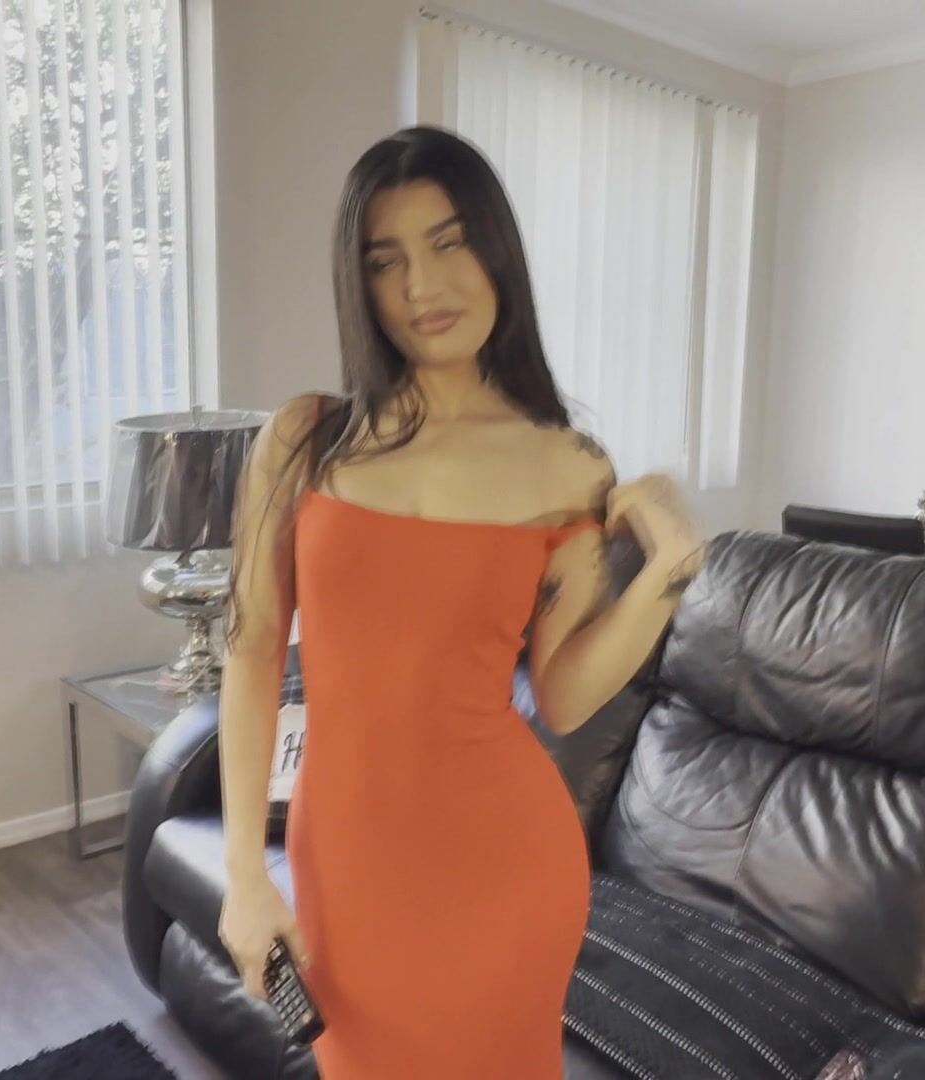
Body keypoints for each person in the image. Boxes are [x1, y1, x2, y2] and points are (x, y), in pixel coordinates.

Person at [214, 125, 708, 1078]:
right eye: (386, 260)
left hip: (505, 869)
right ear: (359, 284)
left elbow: (563, 694)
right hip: (345, 867)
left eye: (449, 243)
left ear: (495, 251)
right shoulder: (304, 441)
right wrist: (243, 873)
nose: (422, 287)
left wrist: (669, 573)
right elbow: (251, 648)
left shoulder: (567, 464)